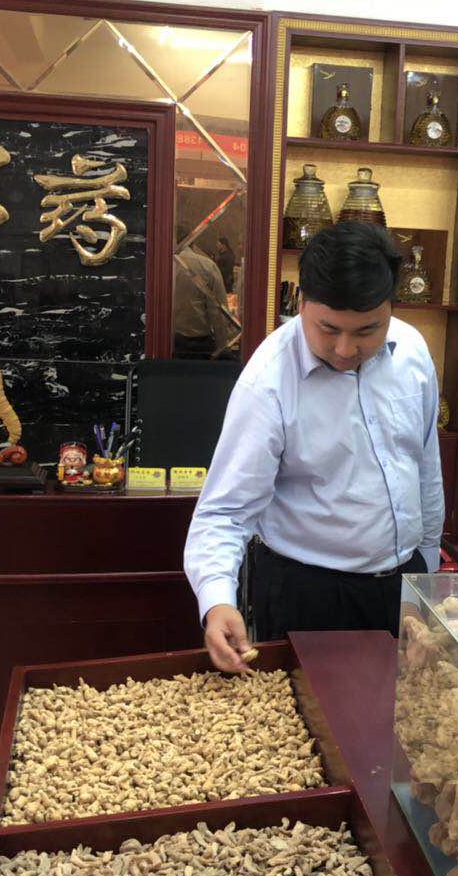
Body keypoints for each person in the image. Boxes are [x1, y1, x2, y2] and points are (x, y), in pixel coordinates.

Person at [185, 221, 444, 673]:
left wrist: (426, 573)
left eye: (367, 330)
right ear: (301, 302)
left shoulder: (412, 353)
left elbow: (424, 466)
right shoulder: (268, 381)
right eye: (328, 328)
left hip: (400, 582)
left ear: (391, 307)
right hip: (308, 593)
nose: (345, 348)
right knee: (314, 714)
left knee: (397, 707)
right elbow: (225, 512)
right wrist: (217, 601)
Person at [172, 228, 232, 359]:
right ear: (192, 242)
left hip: (168, 342)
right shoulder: (207, 265)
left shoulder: (161, 265)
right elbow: (218, 311)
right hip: (200, 344)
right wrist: (222, 346)